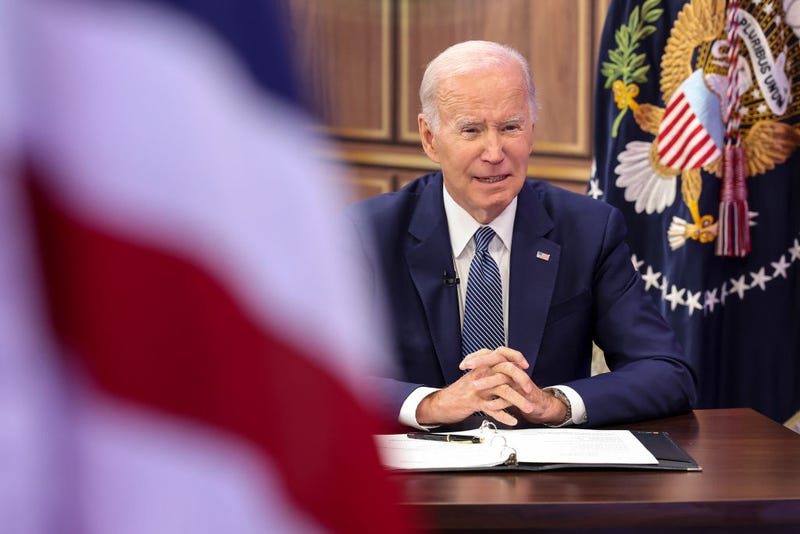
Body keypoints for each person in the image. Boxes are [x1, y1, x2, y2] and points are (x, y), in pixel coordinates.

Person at [346, 40, 696, 430]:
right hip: (418, 477)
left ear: (531, 131)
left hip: (544, 477)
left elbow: (667, 373)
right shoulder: (367, 234)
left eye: (510, 127)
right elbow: (316, 374)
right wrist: (429, 404)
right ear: (430, 138)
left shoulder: (590, 229)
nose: (494, 152)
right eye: (471, 130)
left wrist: (556, 404)